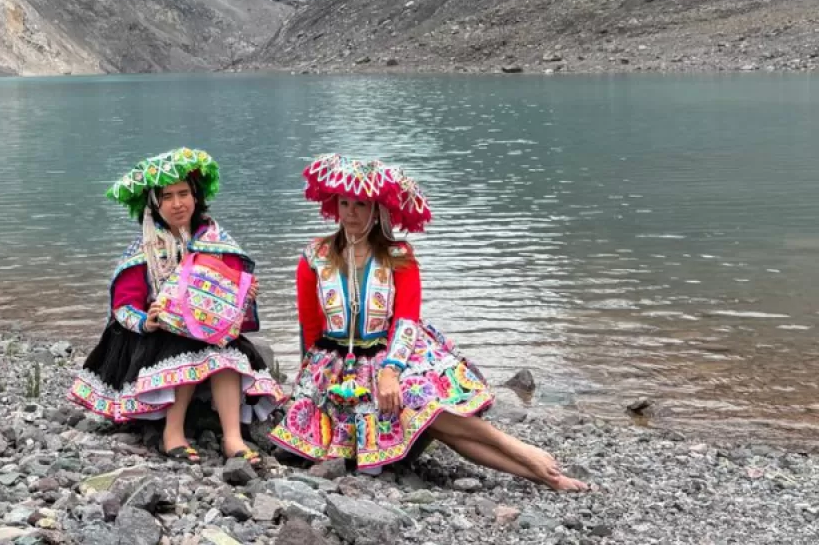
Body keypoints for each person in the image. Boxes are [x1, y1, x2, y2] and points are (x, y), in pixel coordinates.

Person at [269, 154, 587, 491]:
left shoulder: (398, 255)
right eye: (344, 203)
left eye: (360, 204)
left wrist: (390, 371)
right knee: (434, 422)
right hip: (335, 367)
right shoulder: (314, 256)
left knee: (425, 406)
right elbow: (310, 326)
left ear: (378, 209)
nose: (350, 212)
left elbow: (406, 318)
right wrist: (308, 383)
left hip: (390, 354)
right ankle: (537, 469)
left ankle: (529, 461)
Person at [68, 147, 284, 465]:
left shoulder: (215, 240)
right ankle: (173, 433)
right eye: (167, 197)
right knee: (184, 345)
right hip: (155, 337)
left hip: (208, 328)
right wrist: (146, 320)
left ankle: (233, 438)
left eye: (184, 193)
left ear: (196, 196)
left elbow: (232, 289)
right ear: (154, 204)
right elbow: (122, 307)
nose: (178, 203)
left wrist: (245, 293)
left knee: (225, 352)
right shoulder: (144, 250)